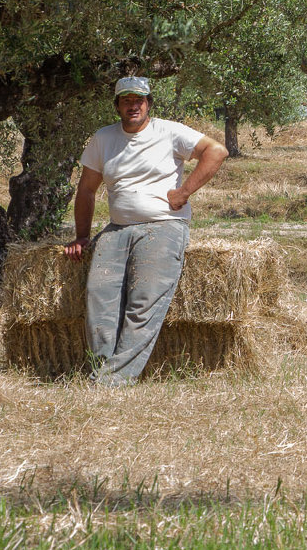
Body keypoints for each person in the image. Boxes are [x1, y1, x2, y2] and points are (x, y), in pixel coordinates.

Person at [64, 76, 228, 386]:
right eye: (126, 100)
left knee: (143, 304)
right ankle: (101, 370)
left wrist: (184, 192)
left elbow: (216, 151)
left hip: (163, 227)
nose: (133, 105)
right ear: (117, 106)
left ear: (149, 103)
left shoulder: (168, 131)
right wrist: (83, 236)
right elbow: (86, 190)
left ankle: (112, 383)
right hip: (117, 229)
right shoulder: (104, 138)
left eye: (139, 99)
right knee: (100, 300)